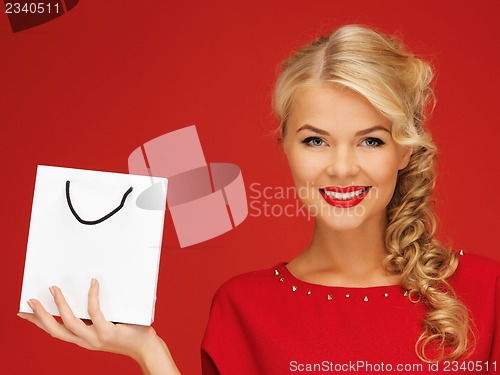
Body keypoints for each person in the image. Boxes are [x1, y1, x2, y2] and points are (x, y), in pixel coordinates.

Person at [18, 24, 499, 374]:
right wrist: (147, 350)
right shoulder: (244, 307)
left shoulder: (488, 291)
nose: (342, 166)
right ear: (285, 147)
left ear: (404, 151)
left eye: (370, 140)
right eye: (315, 140)